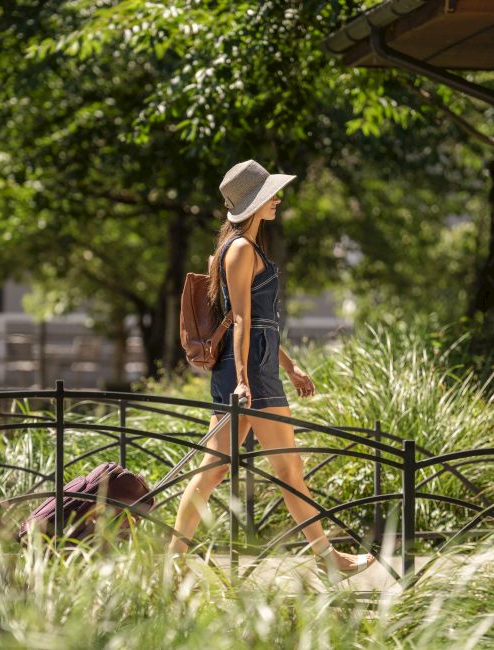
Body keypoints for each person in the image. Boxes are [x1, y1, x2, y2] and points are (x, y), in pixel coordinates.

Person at [168, 160, 375, 582]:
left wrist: (290, 366)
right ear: (254, 203)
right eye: (271, 194)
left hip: (260, 368)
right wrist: (243, 380)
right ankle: (171, 562)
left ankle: (328, 558)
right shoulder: (241, 249)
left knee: (286, 469)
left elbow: (261, 323)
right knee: (214, 471)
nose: (278, 199)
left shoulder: (246, 246)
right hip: (245, 373)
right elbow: (240, 319)